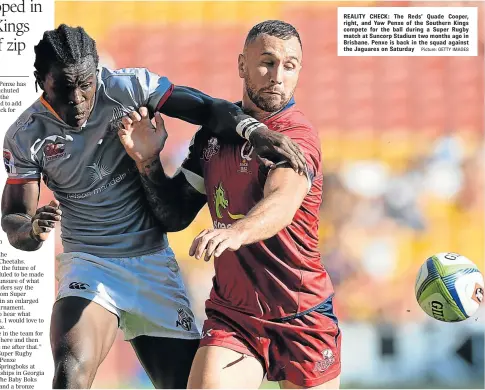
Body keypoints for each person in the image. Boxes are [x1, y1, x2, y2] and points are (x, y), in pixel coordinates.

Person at [0, 24, 307, 389]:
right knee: (71, 372)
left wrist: (253, 131)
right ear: (41, 80)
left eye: (86, 85)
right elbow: (14, 219)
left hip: (152, 264)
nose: (79, 99)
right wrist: (33, 229)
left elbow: (206, 108)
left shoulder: (127, 88)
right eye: (64, 87)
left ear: (98, 73)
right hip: (90, 264)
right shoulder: (25, 135)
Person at [119, 20, 341, 389]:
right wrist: (148, 162)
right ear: (241, 65)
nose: (277, 76)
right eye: (267, 62)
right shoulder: (214, 135)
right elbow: (174, 215)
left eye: (289, 66)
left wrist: (236, 231)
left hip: (302, 312)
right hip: (234, 315)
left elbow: (281, 203)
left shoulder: (296, 136)